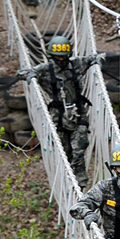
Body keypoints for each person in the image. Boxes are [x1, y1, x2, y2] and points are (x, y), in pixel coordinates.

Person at [18, 34, 101, 187]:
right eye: (58, 57)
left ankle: (81, 184)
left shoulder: (76, 64)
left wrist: (98, 60)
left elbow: (93, 58)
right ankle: (67, 182)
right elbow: (21, 73)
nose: (61, 60)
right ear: (51, 56)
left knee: (79, 149)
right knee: (64, 150)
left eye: (64, 56)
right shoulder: (45, 69)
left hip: (78, 113)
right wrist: (31, 76)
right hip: (58, 116)